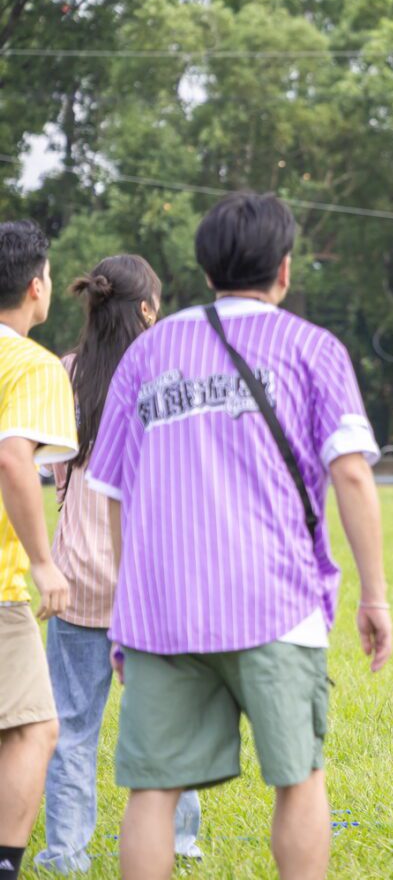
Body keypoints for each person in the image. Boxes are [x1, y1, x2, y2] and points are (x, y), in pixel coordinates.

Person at [87, 193, 393, 880]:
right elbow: (350, 475)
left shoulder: (149, 352)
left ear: (205, 269)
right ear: (284, 270)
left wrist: (124, 613)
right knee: (299, 777)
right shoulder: (313, 348)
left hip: (164, 612)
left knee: (153, 788)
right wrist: (375, 596)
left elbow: (111, 494)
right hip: (276, 603)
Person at [37, 257, 202, 873]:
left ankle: (66, 853)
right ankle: (181, 842)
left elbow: (55, 472)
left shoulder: (63, 374)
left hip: (77, 575)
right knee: (169, 718)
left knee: (73, 727)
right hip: (154, 581)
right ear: (146, 309)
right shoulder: (171, 375)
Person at [0, 221, 78, 880]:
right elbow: (15, 460)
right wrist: (44, 562)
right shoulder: (32, 363)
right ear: (36, 286)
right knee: (34, 729)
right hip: (0, 585)